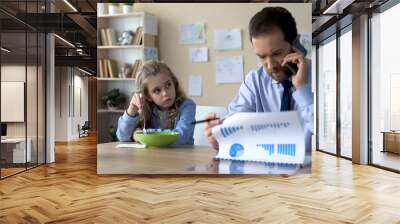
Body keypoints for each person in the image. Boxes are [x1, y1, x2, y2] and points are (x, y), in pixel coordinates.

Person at [205, 6, 313, 150]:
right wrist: (222, 136)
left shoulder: (321, 74)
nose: (270, 65)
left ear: (296, 43)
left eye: (276, 53)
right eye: (262, 56)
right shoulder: (254, 82)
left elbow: (327, 137)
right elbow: (236, 123)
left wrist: (302, 89)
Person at [117, 60, 196, 145]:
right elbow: (122, 136)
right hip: (152, 157)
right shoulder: (144, 107)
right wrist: (131, 110)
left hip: (182, 157)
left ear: (174, 83)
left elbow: (180, 136)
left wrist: (141, 134)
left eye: (168, 85)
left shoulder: (187, 106)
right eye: (157, 90)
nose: (165, 93)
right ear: (148, 96)